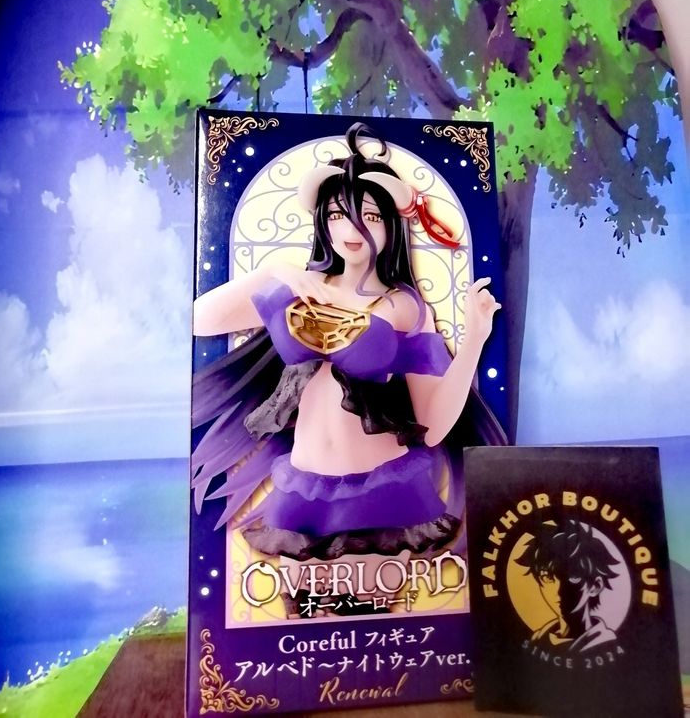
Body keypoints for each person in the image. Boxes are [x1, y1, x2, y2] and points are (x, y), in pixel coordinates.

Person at [191, 122, 506, 595]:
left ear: (391, 225)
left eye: (370, 216)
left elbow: (433, 425)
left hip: (384, 493)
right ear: (323, 222)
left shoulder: (404, 307)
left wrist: (475, 339)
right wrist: (274, 270)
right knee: (302, 622)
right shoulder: (300, 286)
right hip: (301, 492)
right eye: (339, 214)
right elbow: (201, 319)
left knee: (376, 623)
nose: (352, 229)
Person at [515, 519, 620, 652]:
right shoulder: (538, 640)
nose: (559, 591)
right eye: (547, 578)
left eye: (573, 577)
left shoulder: (607, 645)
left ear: (595, 586)